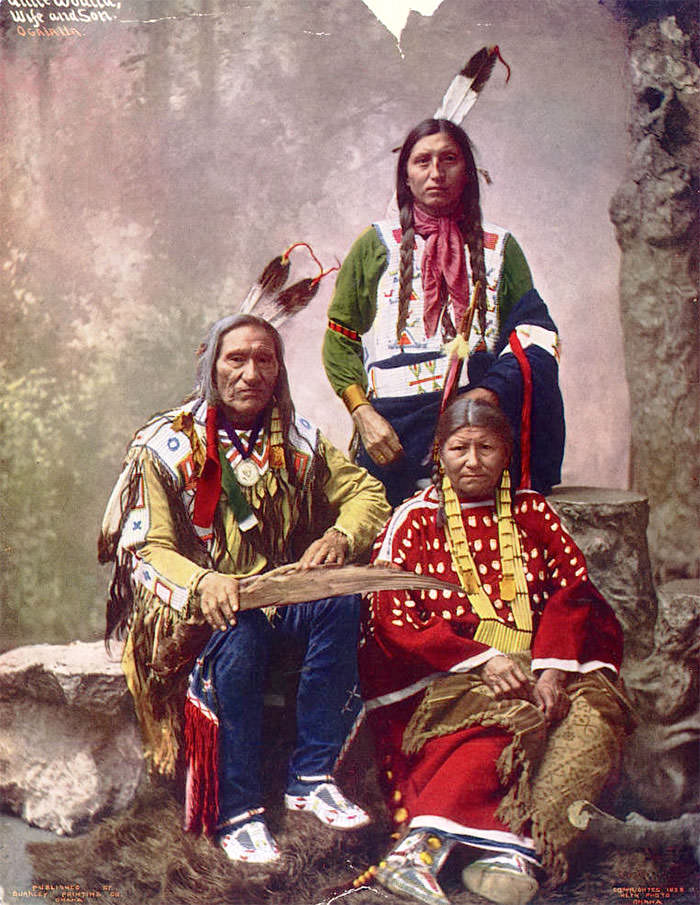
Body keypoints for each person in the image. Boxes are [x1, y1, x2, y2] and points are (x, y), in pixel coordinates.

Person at [100, 313, 391, 864]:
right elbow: (147, 550)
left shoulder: (297, 439)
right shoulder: (164, 447)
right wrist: (205, 580)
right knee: (243, 634)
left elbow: (366, 495)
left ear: (278, 370)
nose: (251, 373)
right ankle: (238, 812)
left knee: (338, 602)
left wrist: (339, 533)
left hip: (269, 599)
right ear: (212, 367)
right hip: (191, 612)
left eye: (265, 359)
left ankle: (310, 776)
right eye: (236, 359)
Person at [357, 397, 632, 905]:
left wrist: (551, 671)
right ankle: (418, 852)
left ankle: (513, 851)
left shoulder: (533, 512)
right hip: (449, 672)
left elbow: (575, 595)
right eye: (459, 448)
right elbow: (390, 614)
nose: (473, 460)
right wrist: (481, 658)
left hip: (541, 660)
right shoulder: (414, 520)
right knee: (509, 715)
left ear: (507, 453)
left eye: (487, 447)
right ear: (438, 454)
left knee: (592, 718)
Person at [323, 118, 564, 507]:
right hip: (394, 432)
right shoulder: (375, 244)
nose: (436, 173)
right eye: (422, 162)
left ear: (467, 171)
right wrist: (363, 414)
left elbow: (535, 334)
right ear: (405, 176)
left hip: (478, 428)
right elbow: (340, 337)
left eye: (448, 159)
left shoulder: (500, 248)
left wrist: (488, 393)